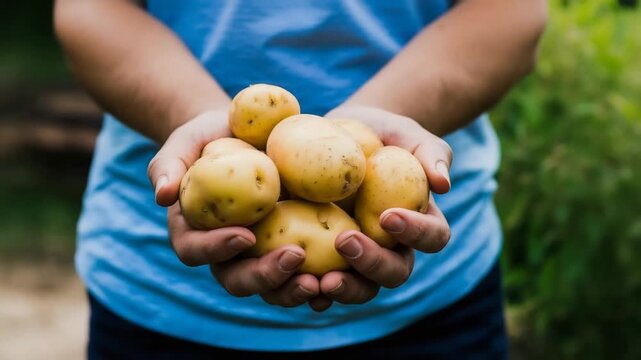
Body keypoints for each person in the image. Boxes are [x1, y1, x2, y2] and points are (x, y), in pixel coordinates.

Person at [54, 0, 547, 358]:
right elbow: (90, 10)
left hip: (434, 304)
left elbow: (511, 13)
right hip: (159, 299)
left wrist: (367, 130)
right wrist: (211, 135)